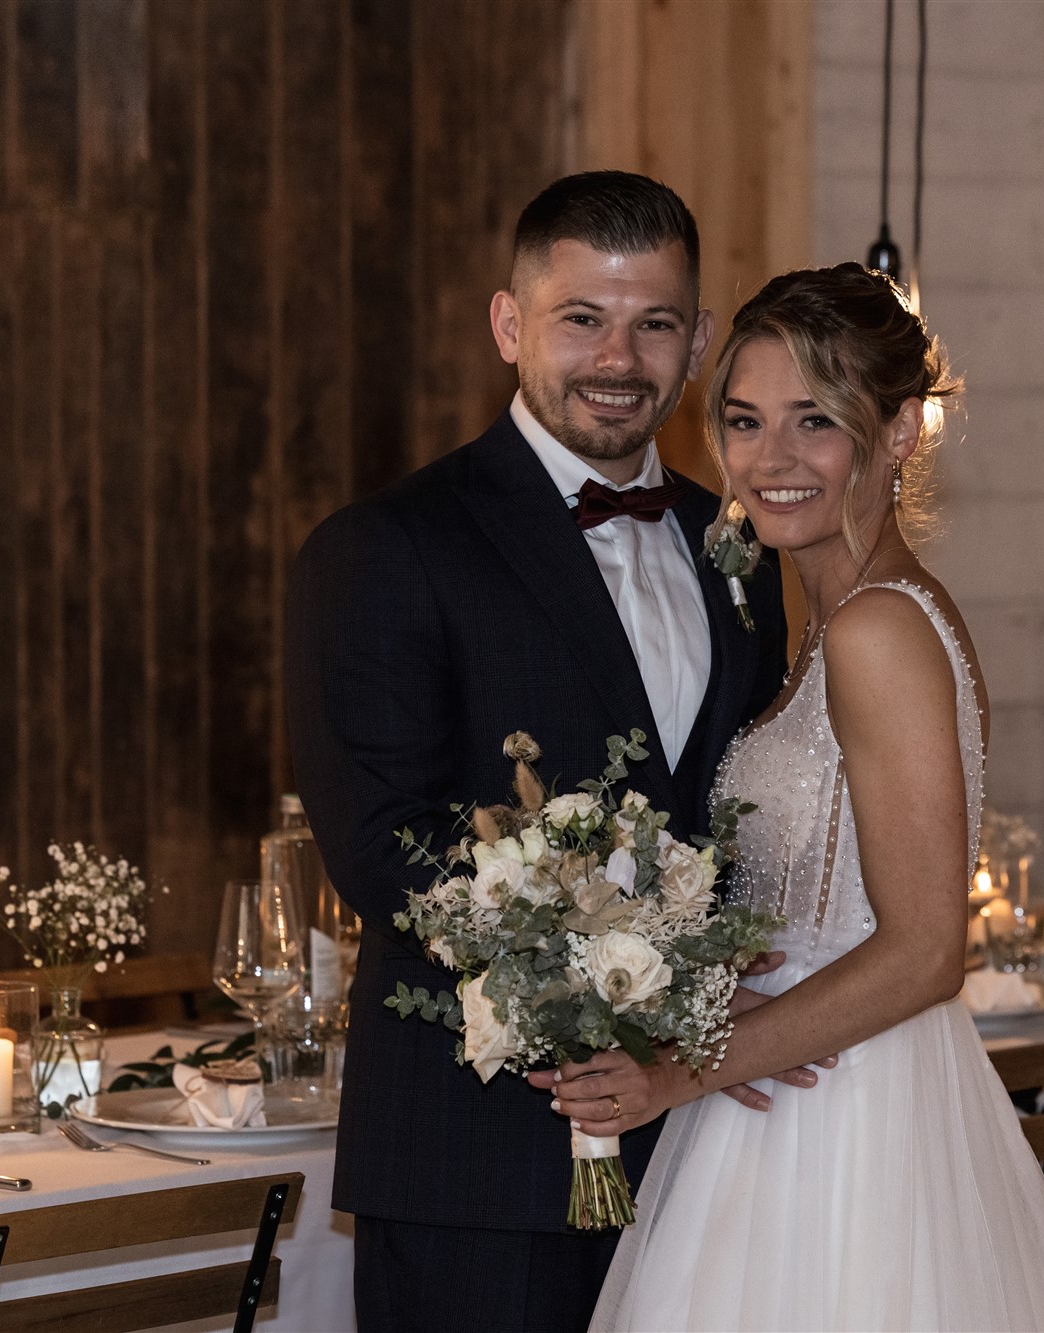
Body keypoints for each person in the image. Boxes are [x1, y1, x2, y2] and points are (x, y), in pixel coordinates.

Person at [538, 263, 1044, 1331]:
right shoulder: (836, 626)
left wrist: (678, 1069)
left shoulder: (875, 630)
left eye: (815, 421)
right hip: (804, 1074)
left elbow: (928, 948)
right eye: (744, 421)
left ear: (899, 433)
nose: (770, 459)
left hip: (846, 1120)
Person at [284, 172, 792, 1332]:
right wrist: (590, 977)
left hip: (703, 1146)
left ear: (699, 341)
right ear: (509, 326)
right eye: (581, 318)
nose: (619, 356)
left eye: (654, 322)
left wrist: (736, 1001)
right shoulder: (384, 548)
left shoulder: (745, 552)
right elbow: (378, 842)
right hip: (479, 1159)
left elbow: (734, 815)